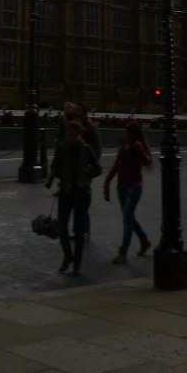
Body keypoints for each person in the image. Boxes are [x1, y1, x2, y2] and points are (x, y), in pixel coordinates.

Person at [47, 120, 102, 274]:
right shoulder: (61, 148)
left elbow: (98, 169)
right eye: (69, 134)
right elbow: (54, 166)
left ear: (79, 135)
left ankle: (77, 262)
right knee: (62, 227)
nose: (71, 137)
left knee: (78, 230)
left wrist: (87, 173)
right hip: (66, 192)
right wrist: (59, 173)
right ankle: (68, 256)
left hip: (82, 193)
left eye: (74, 135)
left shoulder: (86, 149)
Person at [103, 121, 153, 264]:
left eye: (129, 133)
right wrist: (107, 181)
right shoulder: (123, 144)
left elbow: (147, 162)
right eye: (127, 133)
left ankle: (123, 251)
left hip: (134, 186)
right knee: (129, 217)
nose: (127, 136)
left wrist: (139, 149)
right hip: (122, 186)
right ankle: (144, 240)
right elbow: (117, 164)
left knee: (127, 218)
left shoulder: (137, 146)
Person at [75, 102, 102, 241]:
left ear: (84, 112)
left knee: (82, 202)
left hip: (85, 171)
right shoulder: (72, 127)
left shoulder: (91, 129)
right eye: (76, 110)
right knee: (76, 202)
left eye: (79, 110)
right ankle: (79, 230)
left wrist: (89, 169)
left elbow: (97, 152)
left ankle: (84, 231)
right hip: (73, 171)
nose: (76, 113)